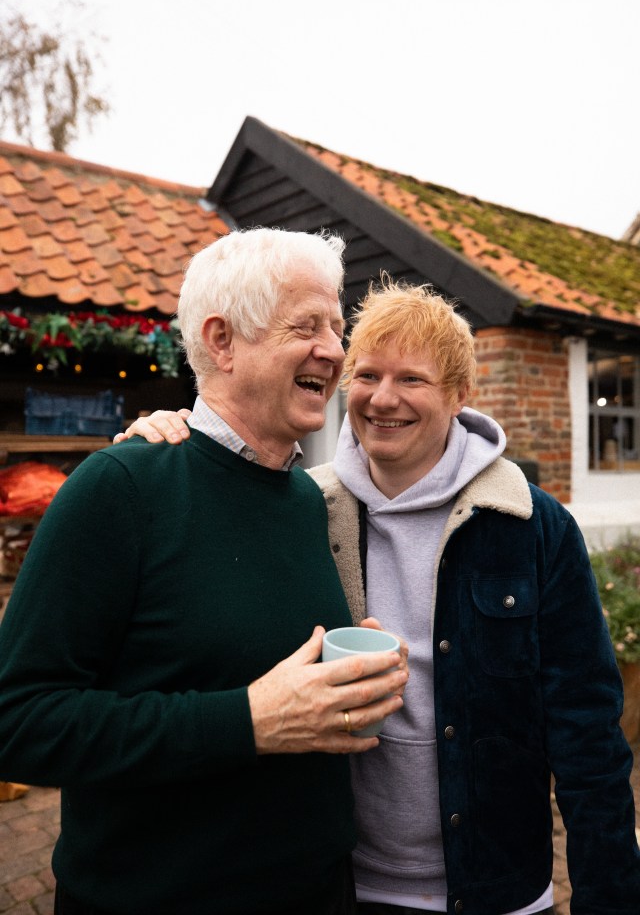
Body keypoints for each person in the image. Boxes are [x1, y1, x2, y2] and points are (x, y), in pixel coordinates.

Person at [124, 277, 640, 915]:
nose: (383, 399)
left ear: (458, 395)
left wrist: (609, 897)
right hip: (336, 881)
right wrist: (169, 441)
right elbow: (210, 509)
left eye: (413, 380)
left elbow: (587, 732)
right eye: (366, 375)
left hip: (496, 885)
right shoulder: (303, 508)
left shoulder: (531, 526)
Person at [0, 229, 409, 915]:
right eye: (307, 326)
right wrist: (247, 719)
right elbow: (19, 724)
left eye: (338, 329)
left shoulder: (309, 499)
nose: (336, 350)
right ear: (221, 341)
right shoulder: (121, 488)